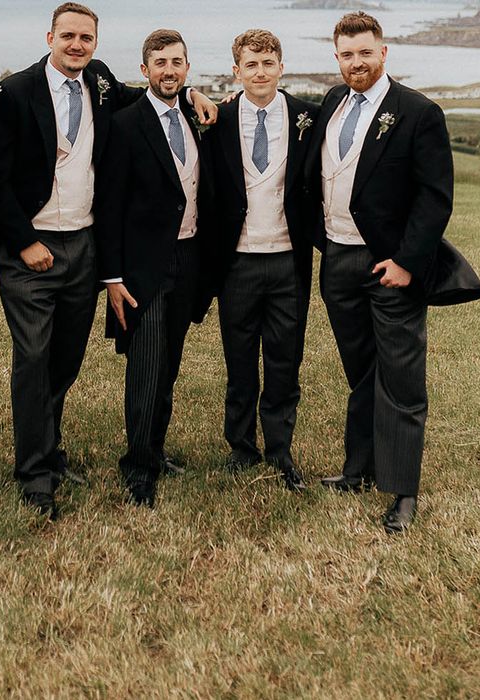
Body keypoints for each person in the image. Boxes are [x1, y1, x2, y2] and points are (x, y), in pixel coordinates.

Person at [0, 4, 216, 518]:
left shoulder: (101, 83)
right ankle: (35, 473)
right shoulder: (19, 90)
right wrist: (23, 239)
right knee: (33, 359)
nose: (76, 44)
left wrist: (194, 92)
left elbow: (152, 99)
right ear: (49, 36)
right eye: (67, 35)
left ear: (95, 43)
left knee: (66, 359)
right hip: (31, 246)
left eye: (86, 37)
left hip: (84, 247)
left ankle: (52, 451)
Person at [304, 12, 454, 533]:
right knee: (361, 373)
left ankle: (403, 492)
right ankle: (358, 469)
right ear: (337, 57)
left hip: (389, 265)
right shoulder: (330, 103)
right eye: (346, 54)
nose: (356, 62)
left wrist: (409, 263)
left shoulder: (417, 113)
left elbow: (435, 199)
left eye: (365, 52)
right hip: (338, 261)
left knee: (401, 380)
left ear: (383, 52)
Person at [94, 29, 215, 508]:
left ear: (187, 69)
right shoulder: (125, 125)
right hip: (144, 267)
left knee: (169, 365)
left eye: (177, 62)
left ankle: (156, 449)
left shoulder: (197, 116)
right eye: (160, 62)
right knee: (145, 367)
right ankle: (138, 468)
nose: (169, 70)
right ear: (144, 71)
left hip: (189, 259)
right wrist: (113, 277)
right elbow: (108, 206)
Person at [209, 29, 318, 489]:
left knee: (283, 360)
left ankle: (280, 449)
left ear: (281, 66)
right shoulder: (215, 119)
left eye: (268, 63)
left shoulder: (307, 118)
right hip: (237, 262)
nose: (260, 72)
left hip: (288, 260)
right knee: (239, 360)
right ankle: (241, 446)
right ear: (237, 70)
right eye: (250, 64)